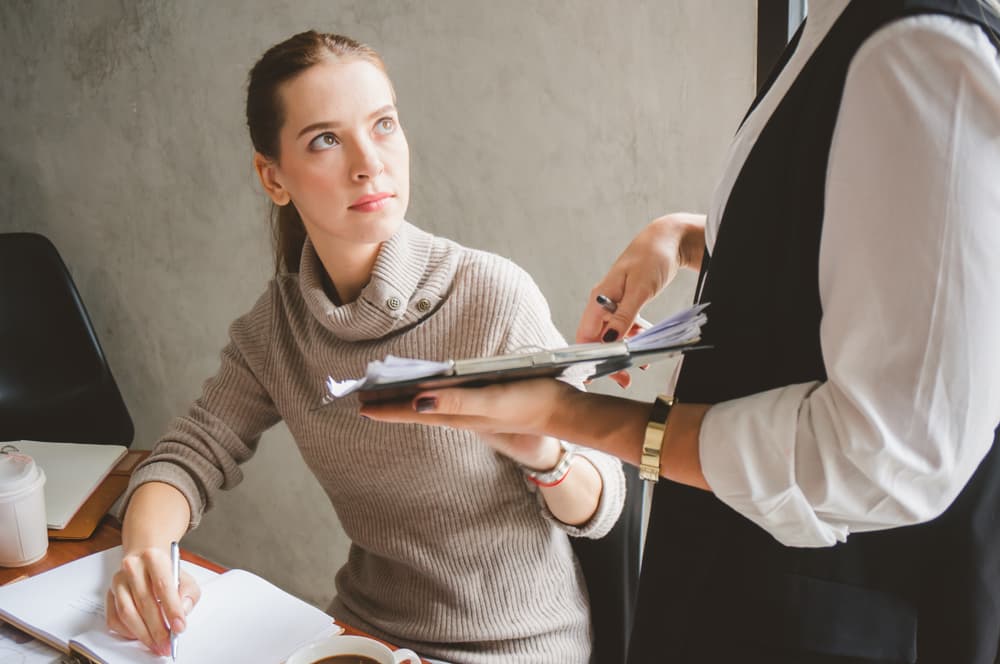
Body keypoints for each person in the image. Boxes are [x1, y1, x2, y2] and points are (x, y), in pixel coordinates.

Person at [363, 1, 1000, 662]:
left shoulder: (923, 53)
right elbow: (862, 253)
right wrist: (687, 237)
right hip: (734, 575)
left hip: (819, 618)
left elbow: (891, 455)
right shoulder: (837, 25)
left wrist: (573, 415)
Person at [104, 31, 626, 664]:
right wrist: (145, 555)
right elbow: (188, 456)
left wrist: (546, 455)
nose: (368, 162)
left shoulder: (491, 295)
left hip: (515, 646)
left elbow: (604, 502)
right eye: (326, 139)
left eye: (383, 125)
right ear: (273, 177)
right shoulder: (278, 329)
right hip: (365, 636)